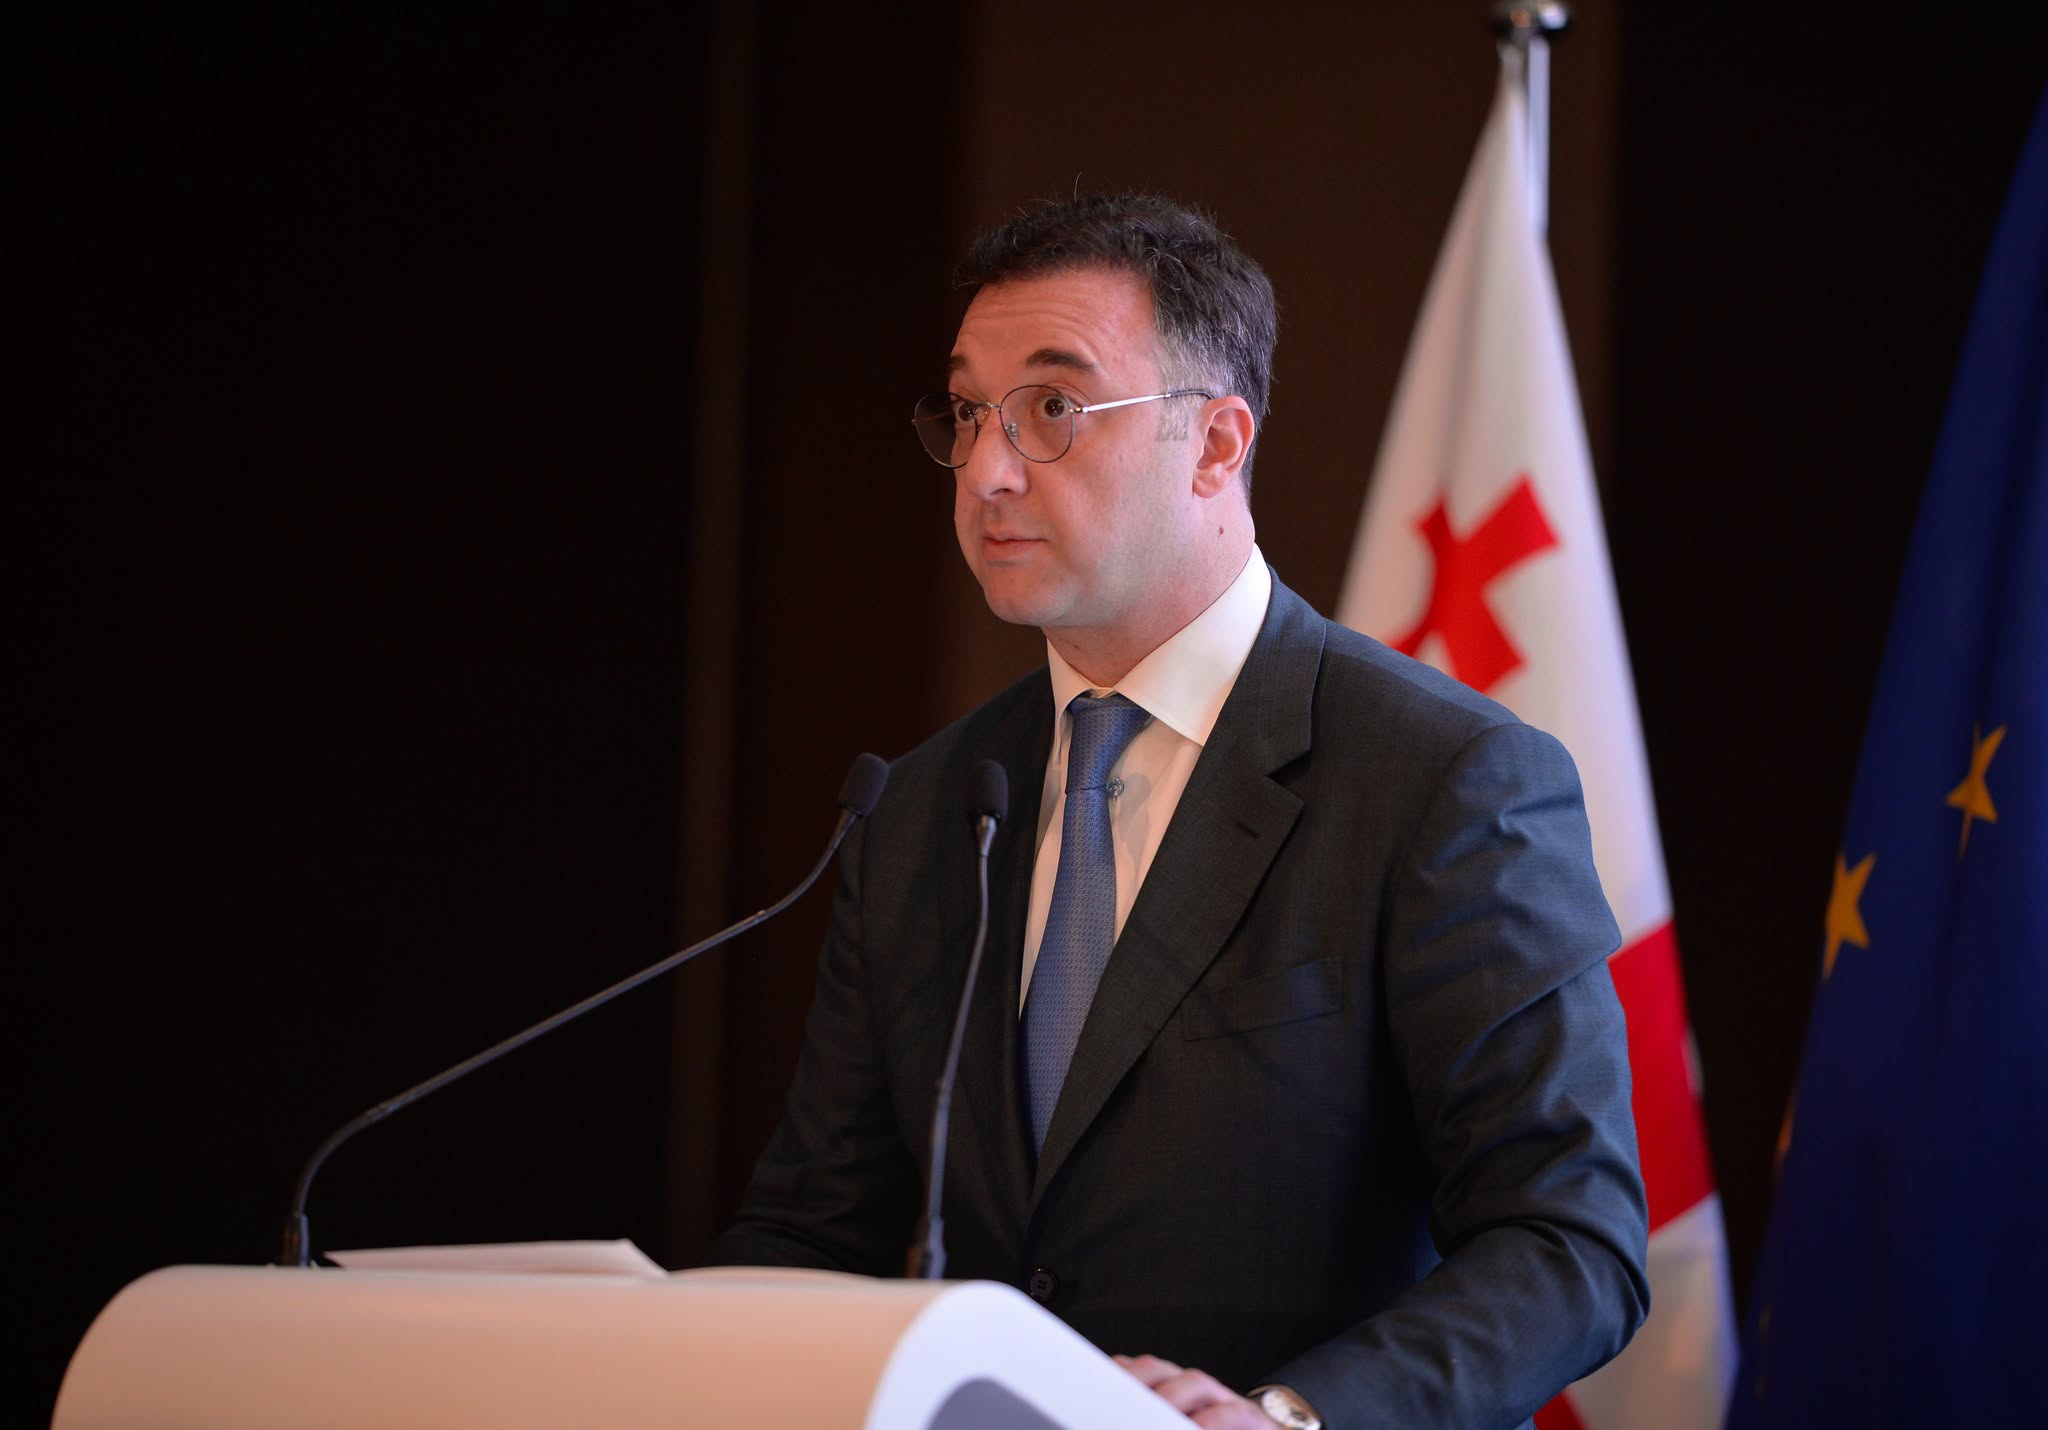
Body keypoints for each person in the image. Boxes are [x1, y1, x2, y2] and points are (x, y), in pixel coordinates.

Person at [706, 193, 1648, 1430]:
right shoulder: (925, 803)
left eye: (1052, 409)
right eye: (969, 413)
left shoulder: (1442, 777)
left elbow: (1567, 1237)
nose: (986, 469)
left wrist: (1289, 1414)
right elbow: (815, 1229)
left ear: (1213, 443)